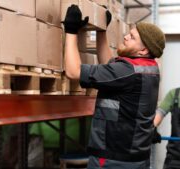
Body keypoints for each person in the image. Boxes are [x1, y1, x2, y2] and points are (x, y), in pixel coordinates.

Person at [62, 5, 166, 169]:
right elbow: (110, 67)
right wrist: (101, 32)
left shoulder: (127, 72)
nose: (125, 37)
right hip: (136, 158)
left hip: (113, 159)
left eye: (131, 37)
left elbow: (73, 71)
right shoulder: (150, 68)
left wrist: (71, 30)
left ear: (143, 50)